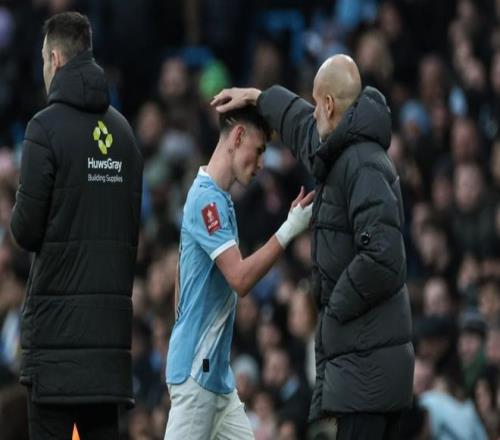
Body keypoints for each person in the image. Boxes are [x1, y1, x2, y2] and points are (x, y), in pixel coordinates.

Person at [212, 54, 414, 439]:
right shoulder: (343, 153)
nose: (314, 113)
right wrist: (259, 98)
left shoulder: (362, 164)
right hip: (364, 364)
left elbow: (382, 256)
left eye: (317, 103)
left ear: (329, 105)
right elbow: (304, 127)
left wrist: (334, 308)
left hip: (368, 368)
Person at [10, 11, 143, 439]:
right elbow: (129, 234)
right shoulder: (124, 135)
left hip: (55, 347)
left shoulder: (44, 129)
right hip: (108, 349)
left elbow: (25, 231)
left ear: (54, 58)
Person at [165, 105, 313, 439]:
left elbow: (180, 279)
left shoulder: (218, 200)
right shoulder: (207, 201)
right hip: (197, 373)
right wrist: (290, 228)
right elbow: (240, 279)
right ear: (238, 136)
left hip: (216, 376)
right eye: (258, 150)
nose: (261, 163)